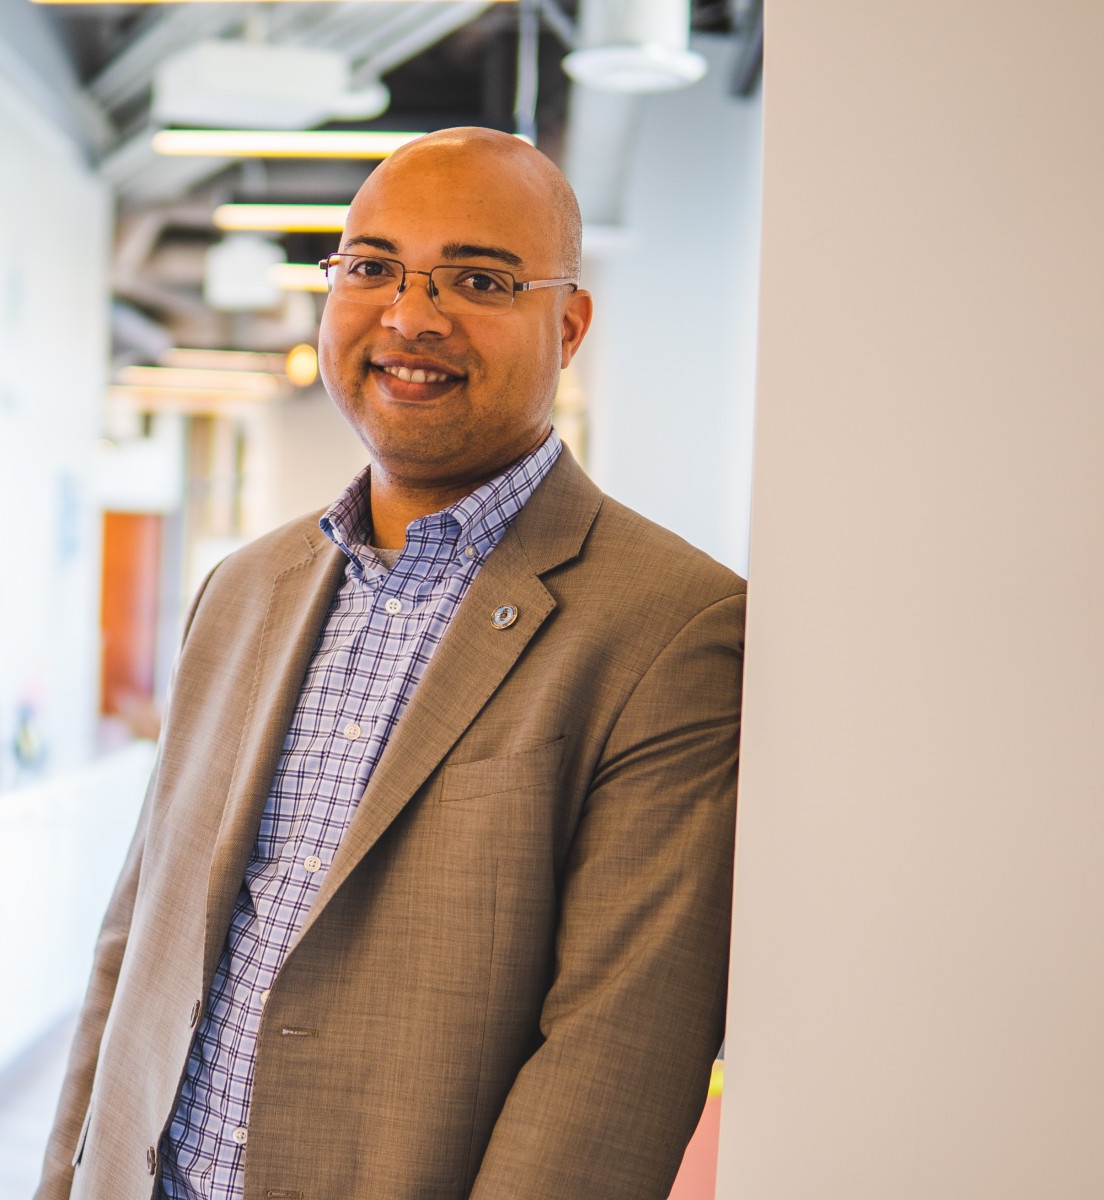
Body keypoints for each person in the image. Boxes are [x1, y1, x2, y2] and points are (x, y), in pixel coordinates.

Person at [38, 127, 744, 1200]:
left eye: (478, 278)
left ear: (568, 324)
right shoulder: (241, 591)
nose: (412, 317)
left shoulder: (671, 628)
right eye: (372, 267)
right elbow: (137, 939)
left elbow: (611, 1070)